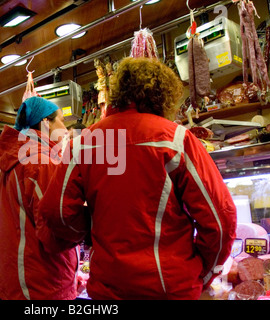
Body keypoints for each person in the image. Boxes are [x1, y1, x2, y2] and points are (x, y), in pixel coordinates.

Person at [38, 57, 237, 300]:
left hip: (109, 287)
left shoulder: (82, 143)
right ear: (164, 94)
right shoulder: (176, 139)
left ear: (118, 92)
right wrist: (204, 271)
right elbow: (220, 219)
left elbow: (55, 210)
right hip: (170, 287)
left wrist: (86, 230)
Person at [0, 96, 78, 300]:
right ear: (45, 123)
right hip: (43, 284)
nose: (65, 130)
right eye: (61, 121)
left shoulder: (16, 159)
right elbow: (54, 231)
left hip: (19, 278)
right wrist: (85, 224)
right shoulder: (40, 161)